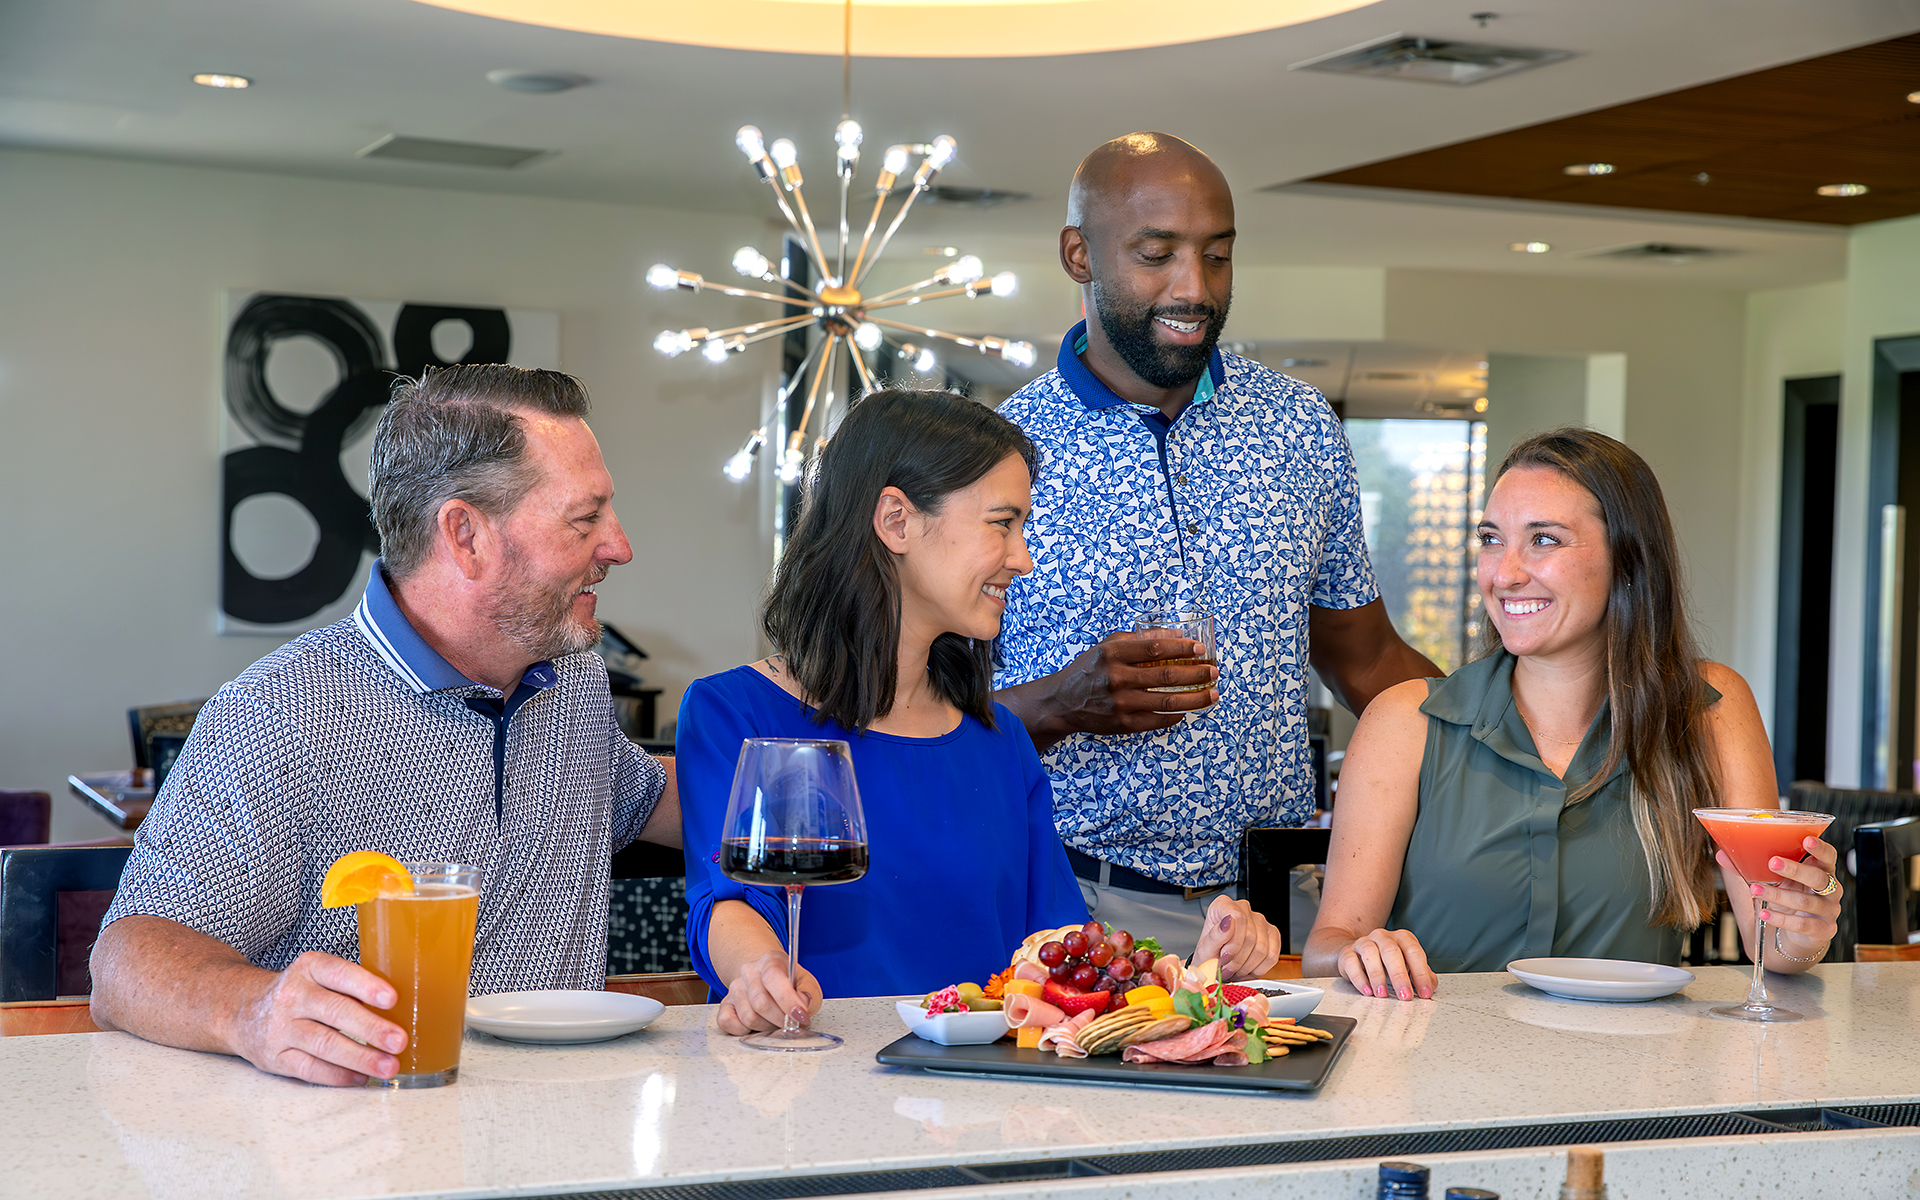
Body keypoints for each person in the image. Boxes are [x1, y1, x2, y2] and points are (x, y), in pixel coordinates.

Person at [90, 364, 680, 1085]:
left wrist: (800, 753)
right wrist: (252, 1010)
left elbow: (651, 798)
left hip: (558, 1117)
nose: (619, 545)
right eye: (584, 519)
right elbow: (126, 962)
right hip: (364, 1125)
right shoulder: (283, 711)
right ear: (465, 535)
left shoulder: (571, 678)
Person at [679, 390, 1280, 1039]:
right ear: (897, 521)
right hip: (807, 1075)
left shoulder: (999, 740)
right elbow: (732, 900)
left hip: (985, 1087)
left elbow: (1061, 957)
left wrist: (1197, 968)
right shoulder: (732, 712)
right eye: (1002, 523)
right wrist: (759, 970)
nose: (1023, 558)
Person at [993, 131, 1438, 955]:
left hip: (1278, 906)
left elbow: (1366, 656)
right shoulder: (1001, 451)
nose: (1194, 287)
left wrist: (1520, 729)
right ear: (1078, 254)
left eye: (1218, 255)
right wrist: (1059, 703)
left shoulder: (1300, 426)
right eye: (1156, 254)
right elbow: (922, 716)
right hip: (1072, 901)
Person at [1304, 428, 1843, 1000]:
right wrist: (1358, 953)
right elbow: (1326, 947)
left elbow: (1770, 941)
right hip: (1438, 1050)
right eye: (1491, 540)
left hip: (1637, 1055)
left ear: (1627, 559)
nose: (1504, 574)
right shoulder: (1404, 721)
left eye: (1544, 540)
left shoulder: (1710, 707)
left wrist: (1802, 928)